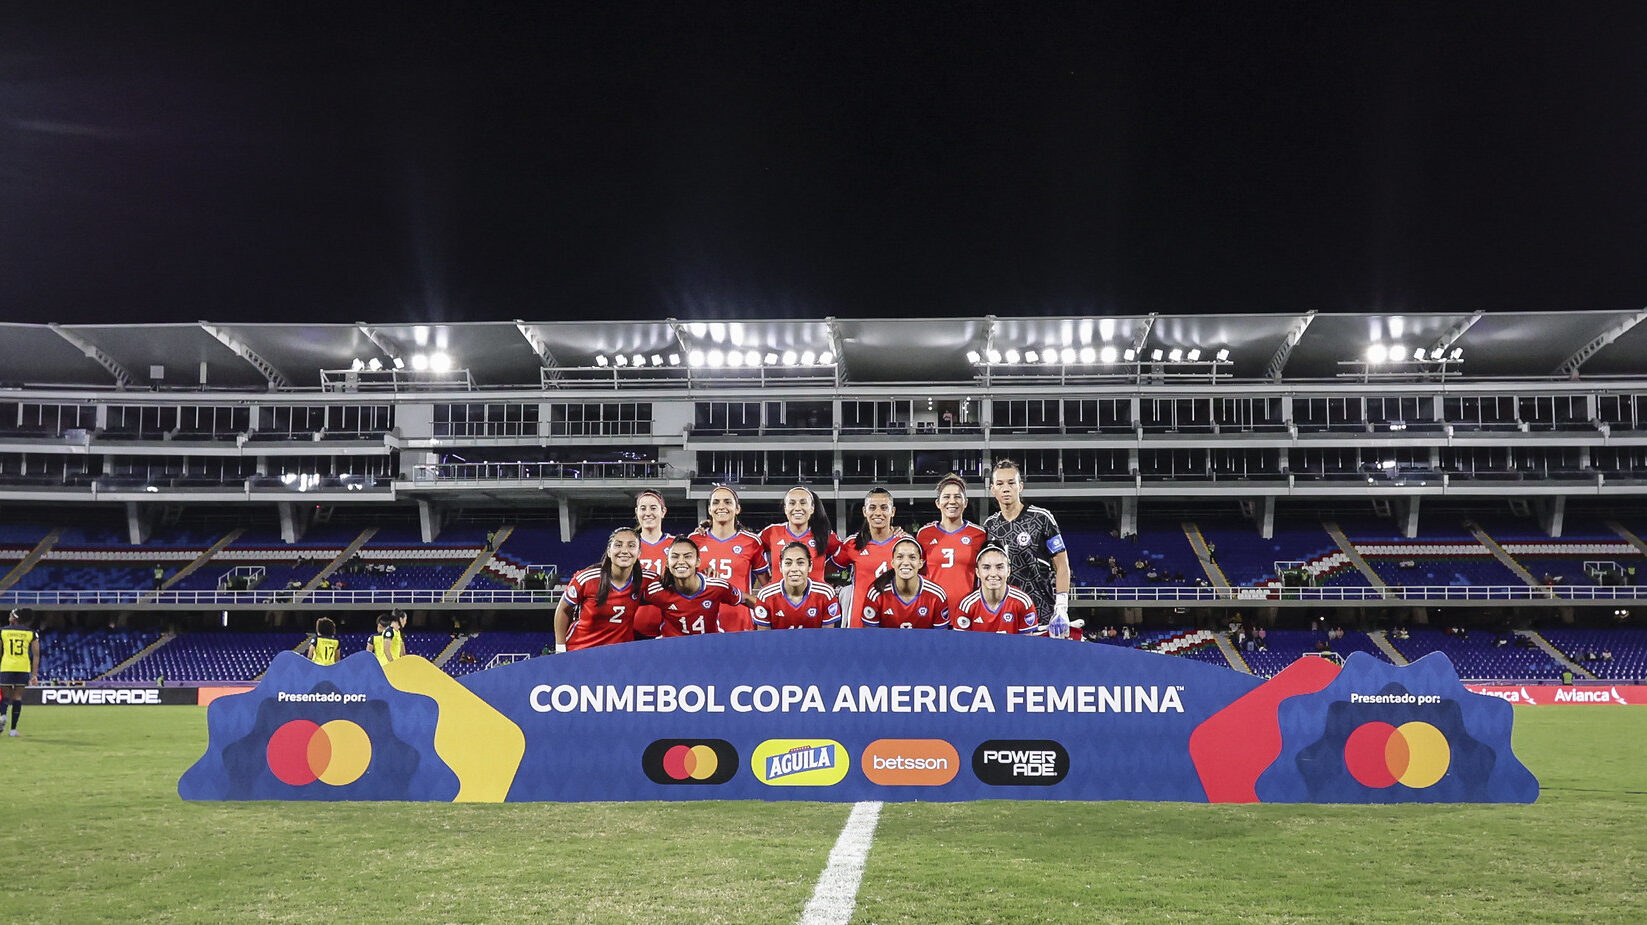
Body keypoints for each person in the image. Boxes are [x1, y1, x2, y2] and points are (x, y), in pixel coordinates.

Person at [983, 459, 1072, 638]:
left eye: (1011, 483)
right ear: (993, 489)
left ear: (1020, 486)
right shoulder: (989, 526)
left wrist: (1061, 607)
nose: (1006, 488)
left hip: (1041, 612)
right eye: (1000, 484)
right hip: (1003, 616)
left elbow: (1062, 565)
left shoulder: (1042, 518)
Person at [554, 527, 654, 651]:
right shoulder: (587, 578)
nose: (624, 550)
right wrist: (560, 647)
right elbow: (563, 609)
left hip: (619, 654)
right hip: (580, 650)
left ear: (639, 553)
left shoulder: (647, 580)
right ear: (608, 551)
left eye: (631, 546)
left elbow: (674, 596)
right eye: (618, 545)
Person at [688, 485, 767, 632]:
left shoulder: (752, 541)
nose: (721, 506)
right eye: (716, 502)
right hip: (701, 620)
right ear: (710, 509)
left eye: (727, 502)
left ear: (737, 509)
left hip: (740, 621)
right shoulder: (694, 540)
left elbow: (767, 586)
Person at [647, 537, 759, 636]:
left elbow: (746, 599)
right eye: (675, 557)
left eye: (687, 556)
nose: (681, 561)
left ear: (698, 562)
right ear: (667, 562)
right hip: (673, 649)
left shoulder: (717, 587)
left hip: (709, 647)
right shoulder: (657, 590)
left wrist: (770, 614)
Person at [832, 486, 905, 627]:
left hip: (894, 620)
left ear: (893, 511)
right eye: (872, 508)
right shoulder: (852, 543)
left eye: (884, 507)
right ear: (865, 511)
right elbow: (828, 569)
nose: (878, 513)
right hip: (858, 621)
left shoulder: (904, 544)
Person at [917, 473, 989, 612]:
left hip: (968, 611)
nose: (952, 501)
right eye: (946, 497)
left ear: (965, 502)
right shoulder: (924, 534)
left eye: (957, 497)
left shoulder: (979, 534)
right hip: (932, 609)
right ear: (938, 503)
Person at [861, 537, 950, 629]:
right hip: (885, 644)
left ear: (920, 563)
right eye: (900, 557)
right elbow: (869, 638)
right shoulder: (877, 593)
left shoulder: (936, 595)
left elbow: (941, 639)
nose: (906, 562)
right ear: (892, 563)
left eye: (912, 557)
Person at [759, 486, 841, 583]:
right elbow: (750, 552)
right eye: (792, 503)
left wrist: (822, 572)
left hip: (815, 597)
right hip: (779, 597)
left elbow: (843, 556)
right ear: (785, 509)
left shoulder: (825, 534)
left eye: (803, 503)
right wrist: (767, 582)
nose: (797, 508)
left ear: (812, 509)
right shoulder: (771, 532)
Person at [951, 544, 1039, 634]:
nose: (993, 573)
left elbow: (1026, 645)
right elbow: (962, 645)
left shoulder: (1023, 602)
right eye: (986, 567)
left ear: (1009, 571)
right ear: (977, 572)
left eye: (999, 567)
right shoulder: (967, 605)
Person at [755, 542, 842, 629]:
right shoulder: (765, 596)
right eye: (788, 563)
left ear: (810, 566)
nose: (794, 569)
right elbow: (764, 639)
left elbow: (827, 638)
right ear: (780, 567)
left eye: (800, 563)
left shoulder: (826, 594)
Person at [631, 489, 675, 638]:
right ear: (637, 512)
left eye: (653, 508)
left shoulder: (677, 545)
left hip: (670, 628)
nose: (648, 513)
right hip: (631, 629)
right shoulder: (626, 546)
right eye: (643, 508)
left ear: (663, 512)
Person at [1, 609, 41, 737]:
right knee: (17, 697)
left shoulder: (3, 631)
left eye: (11, 615)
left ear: (15, 618)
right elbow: (36, 654)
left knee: (4, 695)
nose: (9, 616)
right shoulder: (31, 633)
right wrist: (34, 675)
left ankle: (2, 715)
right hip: (23, 667)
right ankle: (13, 730)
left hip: (6, 666)